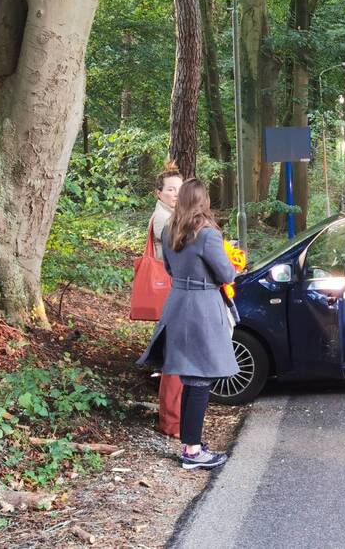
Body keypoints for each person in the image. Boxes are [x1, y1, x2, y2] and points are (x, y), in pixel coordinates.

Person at [137, 179, 240, 470]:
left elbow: (168, 268)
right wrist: (233, 264)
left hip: (178, 304)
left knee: (190, 377)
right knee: (200, 379)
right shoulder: (206, 234)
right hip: (202, 308)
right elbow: (225, 273)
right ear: (203, 201)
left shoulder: (171, 229)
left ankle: (189, 443)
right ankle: (193, 451)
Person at [151, 161, 184, 439]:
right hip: (171, 295)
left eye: (180, 190)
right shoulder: (165, 220)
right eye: (171, 190)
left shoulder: (172, 216)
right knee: (175, 359)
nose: (176, 194)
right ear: (159, 193)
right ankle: (172, 422)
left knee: (174, 359)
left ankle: (173, 420)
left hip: (172, 295)